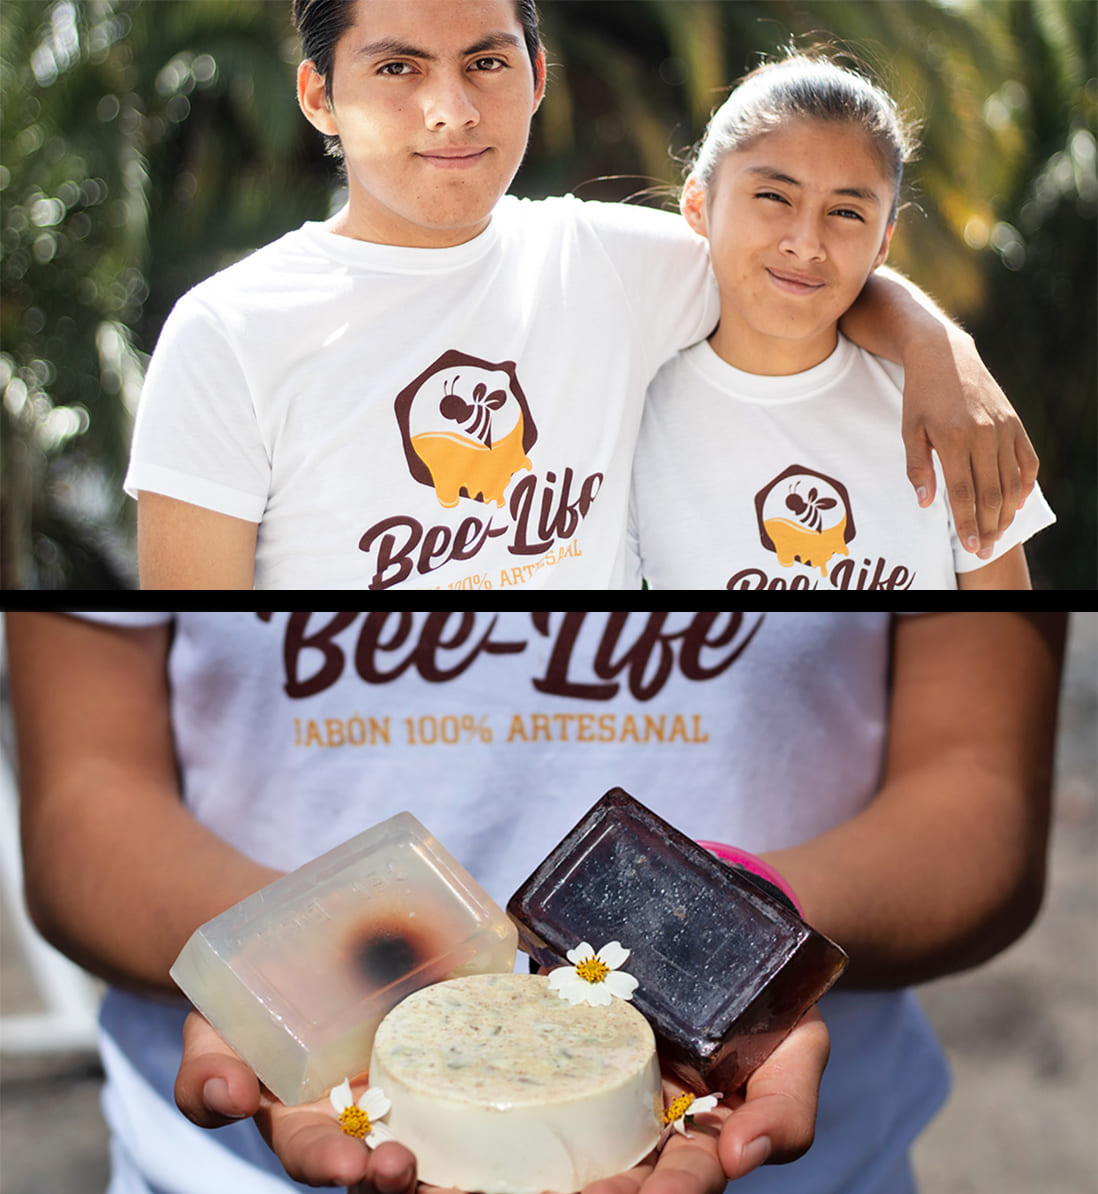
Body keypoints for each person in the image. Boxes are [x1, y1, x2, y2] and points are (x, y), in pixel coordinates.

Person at [7, 610, 1067, 1194]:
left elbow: (978, 794)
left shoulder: (890, 381)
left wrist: (739, 950)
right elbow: (83, 798)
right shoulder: (214, 354)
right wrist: (283, 981)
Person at [124, 0, 1039, 590]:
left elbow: (800, 268)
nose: (453, 108)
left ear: (537, 74)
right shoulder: (228, 334)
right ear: (319, 96)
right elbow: (200, 662)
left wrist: (934, 349)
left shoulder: (610, 264)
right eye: (398, 69)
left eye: (486, 62)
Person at [629, 52, 1055, 591]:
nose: (806, 244)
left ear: (883, 244)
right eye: (773, 196)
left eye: (847, 212)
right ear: (697, 204)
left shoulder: (948, 409)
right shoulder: (633, 422)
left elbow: (1004, 648)